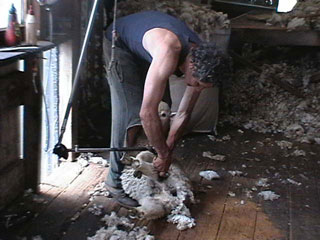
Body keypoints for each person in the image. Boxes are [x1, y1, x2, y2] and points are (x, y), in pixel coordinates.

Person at [103, 10, 231, 208]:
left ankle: (147, 167)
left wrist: (168, 149)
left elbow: (184, 112)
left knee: (164, 108)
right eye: (196, 83)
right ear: (192, 65)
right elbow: (146, 113)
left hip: (145, 48)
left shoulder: (200, 59)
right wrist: (163, 154)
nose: (195, 88)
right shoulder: (168, 50)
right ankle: (115, 182)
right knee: (129, 115)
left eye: (201, 87)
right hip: (119, 43)